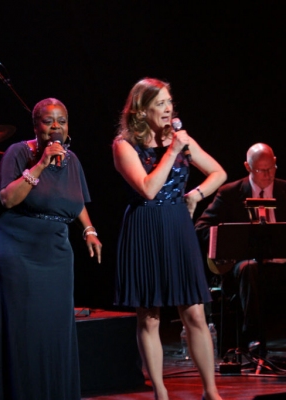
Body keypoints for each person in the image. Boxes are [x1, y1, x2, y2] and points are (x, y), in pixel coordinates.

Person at [112, 78, 226, 400]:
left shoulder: (180, 141)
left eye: (169, 102)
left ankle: (211, 391)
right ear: (141, 108)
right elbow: (148, 188)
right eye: (160, 103)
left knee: (195, 312)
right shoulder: (124, 145)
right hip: (145, 227)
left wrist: (195, 195)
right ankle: (161, 392)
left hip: (177, 226)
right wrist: (173, 150)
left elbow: (218, 172)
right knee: (149, 317)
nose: (168, 109)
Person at [0, 97, 102, 400]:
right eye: (49, 121)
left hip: (56, 249)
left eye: (61, 120)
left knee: (54, 329)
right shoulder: (18, 153)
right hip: (18, 247)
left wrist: (88, 229)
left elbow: (75, 201)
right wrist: (40, 164)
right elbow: (8, 199)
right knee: (26, 330)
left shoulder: (71, 160)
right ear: (36, 125)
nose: (56, 127)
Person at [194, 143, 286, 358]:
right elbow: (202, 227)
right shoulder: (230, 193)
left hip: (280, 265)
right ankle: (253, 340)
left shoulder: (284, 190)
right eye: (260, 170)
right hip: (243, 268)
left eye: (271, 168)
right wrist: (229, 240)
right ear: (248, 167)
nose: (267, 174)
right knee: (250, 268)